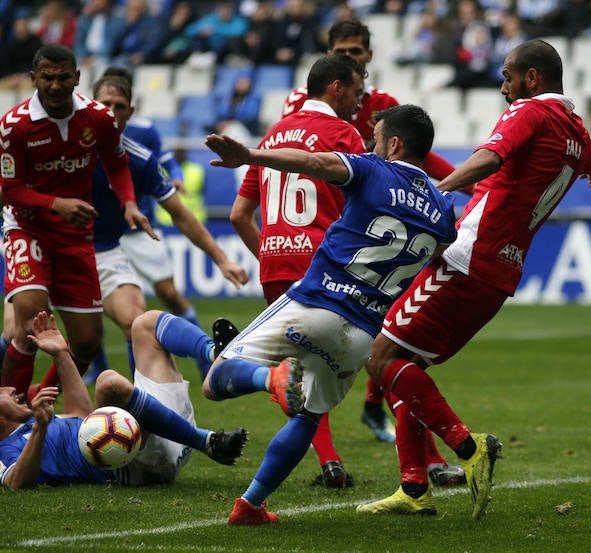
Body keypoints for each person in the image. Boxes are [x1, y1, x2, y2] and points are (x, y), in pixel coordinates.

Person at [358, 39, 591, 519]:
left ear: (532, 79)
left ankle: (467, 446)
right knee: (407, 369)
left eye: (509, 77)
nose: (503, 87)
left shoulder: (530, 113)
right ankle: (413, 489)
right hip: (501, 272)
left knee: (381, 356)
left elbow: (491, 157)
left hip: (466, 257)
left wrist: (436, 189)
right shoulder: (577, 130)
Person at [202, 103, 459, 524]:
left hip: (315, 301)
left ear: (393, 144)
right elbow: (446, 250)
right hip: (360, 336)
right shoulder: (442, 209)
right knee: (310, 415)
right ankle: (250, 505)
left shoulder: (374, 170)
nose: (371, 146)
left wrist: (250, 157)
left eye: (375, 139)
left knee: (215, 380)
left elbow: (311, 162)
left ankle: (270, 378)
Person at [281, 18, 461, 447]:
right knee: (344, 345)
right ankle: (334, 450)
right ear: (329, 57)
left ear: (369, 55)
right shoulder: (307, 103)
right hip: (328, 229)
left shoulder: (383, 104)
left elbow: (419, 162)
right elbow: (303, 158)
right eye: (341, 52)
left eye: (356, 52)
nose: (349, 59)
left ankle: (384, 420)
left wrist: (463, 184)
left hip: (374, 229)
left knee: (386, 336)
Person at [229, 54, 368, 489]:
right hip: (324, 265)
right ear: (336, 88)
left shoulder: (272, 135)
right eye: (357, 90)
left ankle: (328, 460)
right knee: (376, 355)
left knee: (304, 368)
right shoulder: (343, 133)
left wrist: (271, 255)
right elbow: (367, 202)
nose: (360, 100)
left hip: (274, 265)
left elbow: (238, 215)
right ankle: (429, 459)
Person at [0, 44, 152, 397]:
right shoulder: (14, 126)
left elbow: (117, 163)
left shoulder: (98, 118)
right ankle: (10, 418)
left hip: (75, 237)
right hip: (28, 228)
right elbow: (10, 190)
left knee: (86, 342)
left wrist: (129, 202)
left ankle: (41, 400)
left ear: (77, 78)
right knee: (29, 320)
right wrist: (57, 204)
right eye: (47, 78)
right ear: (34, 78)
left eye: (63, 77)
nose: (55, 85)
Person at [82, 74, 247, 382]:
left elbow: (180, 210)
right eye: (105, 104)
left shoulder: (140, 147)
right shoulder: (68, 142)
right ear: (90, 106)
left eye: (119, 106)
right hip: (57, 245)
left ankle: (155, 402)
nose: (112, 112)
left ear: (130, 111)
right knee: (27, 331)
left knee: (146, 311)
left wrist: (222, 260)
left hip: (127, 236)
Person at [0, 310, 247, 489]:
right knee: (108, 382)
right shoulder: (5, 450)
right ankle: (207, 442)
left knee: (144, 324)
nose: (11, 389)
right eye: (2, 392)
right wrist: (40, 429)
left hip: (163, 432)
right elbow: (15, 482)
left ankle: (218, 353)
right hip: (133, 463)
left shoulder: (36, 422)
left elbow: (81, 412)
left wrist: (60, 353)